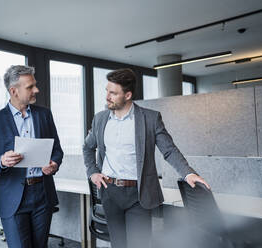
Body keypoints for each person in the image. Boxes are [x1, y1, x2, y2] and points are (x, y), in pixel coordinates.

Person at [83, 68, 209, 248]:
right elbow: (87, 147)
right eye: (107, 91)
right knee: (118, 244)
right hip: (110, 192)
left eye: (113, 93)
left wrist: (188, 173)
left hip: (138, 194)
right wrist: (93, 172)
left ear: (128, 95)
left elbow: (169, 150)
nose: (107, 97)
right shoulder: (100, 119)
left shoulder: (150, 119)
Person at [0, 65, 63, 248]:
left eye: (35, 85)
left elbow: (57, 149)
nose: (36, 90)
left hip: (42, 193)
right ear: (13, 91)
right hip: (13, 198)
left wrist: (54, 163)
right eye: (30, 87)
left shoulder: (44, 115)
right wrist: (1, 161)